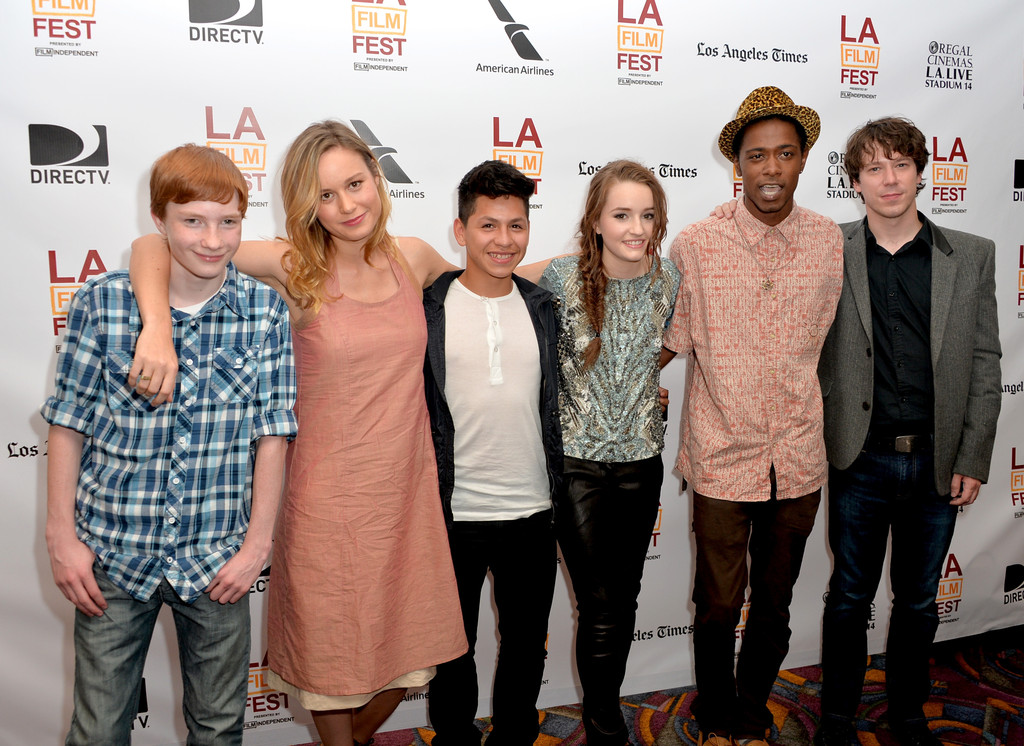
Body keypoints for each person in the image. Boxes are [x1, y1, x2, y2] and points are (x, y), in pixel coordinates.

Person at [127, 121, 467, 746]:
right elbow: (154, 248)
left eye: (355, 184)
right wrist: (156, 328)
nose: (346, 207)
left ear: (376, 174)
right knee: (328, 660)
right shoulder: (293, 263)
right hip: (324, 500)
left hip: (405, 494)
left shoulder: (411, 256)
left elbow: (487, 284)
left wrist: (587, 256)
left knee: (419, 642)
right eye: (325, 197)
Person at [42, 144, 297, 745]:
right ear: (158, 221)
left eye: (228, 221)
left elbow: (274, 434)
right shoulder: (102, 303)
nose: (212, 240)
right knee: (98, 730)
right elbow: (67, 422)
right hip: (112, 555)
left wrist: (257, 545)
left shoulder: (264, 312)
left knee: (217, 729)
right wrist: (60, 537)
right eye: (193, 221)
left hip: (217, 563)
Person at [661, 86, 844, 746]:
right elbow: (667, 337)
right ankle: (715, 712)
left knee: (774, 604)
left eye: (785, 154)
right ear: (737, 166)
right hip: (720, 454)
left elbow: (842, 344)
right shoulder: (696, 244)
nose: (771, 168)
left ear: (804, 162)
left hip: (798, 455)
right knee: (716, 606)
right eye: (757, 155)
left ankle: (752, 704)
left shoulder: (830, 243)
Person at [813, 118, 1001, 746]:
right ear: (855, 181)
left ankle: (907, 715)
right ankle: (836, 717)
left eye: (900, 164)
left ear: (922, 172)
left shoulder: (972, 255)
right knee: (847, 597)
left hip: (937, 460)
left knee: (918, 602)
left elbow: (984, 360)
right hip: (857, 459)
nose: (888, 179)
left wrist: (973, 454)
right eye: (873, 167)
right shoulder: (826, 248)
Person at [519, 159, 680, 745]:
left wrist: (635, 383)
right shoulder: (558, 277)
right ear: (595, 220)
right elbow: (490, 283)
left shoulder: (669, 280)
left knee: (624, 595)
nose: (636, 228)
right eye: (621, 215)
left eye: (647, 215)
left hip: (642, 462)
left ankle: (603, 708)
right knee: (601, 601)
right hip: (576, 467)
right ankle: (604, 721)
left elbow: (654, 347)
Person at [422, 160, 562, 746]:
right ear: (460, 231)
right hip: (451, 513)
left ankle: (514, 736)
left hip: (533, 509)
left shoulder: (542, 305)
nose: (503, 240)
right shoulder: (426, 305)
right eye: (487, 226)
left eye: (515, 225)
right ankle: (455, 738)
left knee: (527, 644)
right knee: (452, 649)